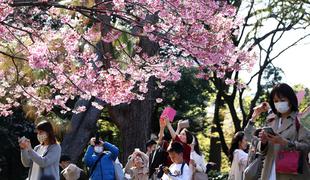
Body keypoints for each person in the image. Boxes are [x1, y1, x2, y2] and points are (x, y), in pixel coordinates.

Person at [257, 83, 310, 180]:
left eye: (282, 100)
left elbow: (306, 147)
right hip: (269, 172)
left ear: (290, 100)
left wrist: (284, 142)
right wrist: (263, 142)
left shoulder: (300, 119)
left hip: (291, 174)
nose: (279, 103)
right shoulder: (270, 120)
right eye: (276, 101)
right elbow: (263, 151)